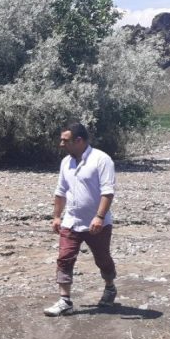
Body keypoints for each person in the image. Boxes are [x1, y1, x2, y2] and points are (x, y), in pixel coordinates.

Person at [44, 121, 118, 317]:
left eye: (65, 140)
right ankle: (65, 301)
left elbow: (107, 192)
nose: (61, 144)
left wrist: (99, 217)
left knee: (102, 260)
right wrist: (57, 216)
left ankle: (110, 286)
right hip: (71, 222)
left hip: (97, 223)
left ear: (79, 140)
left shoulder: (101, 160)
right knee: (64, 259)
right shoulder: (66, 162)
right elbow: (60, 192)